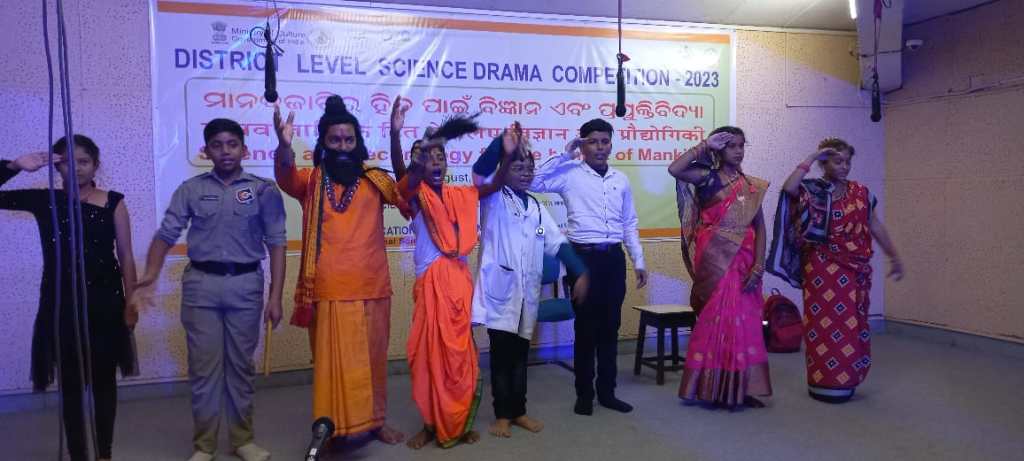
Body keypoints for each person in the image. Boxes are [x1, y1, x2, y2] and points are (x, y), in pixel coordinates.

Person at [132, 119, 286, 461]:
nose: (225, 151)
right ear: (206, 151)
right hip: (201, 287)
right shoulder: (190, 189)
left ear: (244, 149)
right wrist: (151, 274)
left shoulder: (264, 190)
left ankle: (242, 439)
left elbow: (276, 243)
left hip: (245, 286)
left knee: (241, 367)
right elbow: (166, 234)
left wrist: (275, 296)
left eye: (232, 144)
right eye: (217, 145)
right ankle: (205, 445)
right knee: (204, 369)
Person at [272, 95, 408, 445]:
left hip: (372, 286)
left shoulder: (375, 180)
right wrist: (284, 146)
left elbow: (407, 193)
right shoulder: (311, 181)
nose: (343, 147)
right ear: (323, 143)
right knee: (332, 368)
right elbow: (285, 176)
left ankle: (376, 422)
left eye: (349, 140)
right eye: (335, 140)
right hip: (328, 289)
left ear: (358, 142)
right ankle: (331, 428)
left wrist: (395, 137)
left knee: (373, 362)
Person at [0, 136, 138, 461]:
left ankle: (104, 453)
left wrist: (132, 301)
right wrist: (15, 166)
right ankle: (77, 454)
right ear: (56, 166)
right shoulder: (44, 200)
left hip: (105, 303)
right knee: (71, 385)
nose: (76, 168)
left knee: (104, 382)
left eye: (84, 161)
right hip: (60, 303)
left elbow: (126, 256)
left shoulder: (114, 202)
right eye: (67, 162)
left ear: (95, 165)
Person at [470, 124, 590, 438]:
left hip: (527, 295)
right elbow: (480, 171)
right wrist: (502, 143)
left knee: (521, 355)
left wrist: (579, 271)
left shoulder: (536, 207)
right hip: (501, 293)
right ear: (505, 170)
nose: (525, 173)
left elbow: (556, 242)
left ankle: (519, 411)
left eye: (529, 168)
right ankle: (502, 415)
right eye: (518, 167)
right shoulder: (493, 198)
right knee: (501, 357)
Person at [769, 137, 904, 403]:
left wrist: (894, 256)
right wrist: (811, 157)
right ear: (824, 163)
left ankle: (846, 380)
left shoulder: (861, 193)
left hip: (854, 269)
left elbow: (875, 226)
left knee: (851, 324)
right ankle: (822, 382)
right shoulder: (813, 190)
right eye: (837, 161)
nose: (844, 167)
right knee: (821, 326)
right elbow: (789, 188)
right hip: (820, 268)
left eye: (847, 162)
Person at [530, 118, 646, 415]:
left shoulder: (621, 180)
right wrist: (564, 155)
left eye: (604, 141)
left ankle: (607, 392)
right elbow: (533, 182)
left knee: (610, 327)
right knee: (585, 329)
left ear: (611, 144)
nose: (599, 147)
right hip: (583, 260)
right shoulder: (569, 174)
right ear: (582, 145)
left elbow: (629, 223)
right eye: (592, 141)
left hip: (613, 259)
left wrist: (638, 260)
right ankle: (584, 394)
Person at [399, 114, 488, 449]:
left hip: (458, 287)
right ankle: (429, 424)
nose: (435, 162)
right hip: (430, 287)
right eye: (427, 157)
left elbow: (491, 185)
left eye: (440, 156)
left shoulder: (461, 194)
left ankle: (461, 424)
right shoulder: (414, 197)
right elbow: (403, 176)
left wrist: (504, 154)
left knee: (459, 358)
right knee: (427, 359)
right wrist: (396, 134)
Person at [668, 126, 772, 409]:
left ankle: (741, 388)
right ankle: (710, 387)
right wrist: (704, 145)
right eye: (731, 146)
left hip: (745, 263)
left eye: (741, 145)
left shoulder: (751, 186)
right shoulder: (707, 177)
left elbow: (760, 229)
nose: (738, 151)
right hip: (716, 260)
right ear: (720, 149)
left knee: (745, 325)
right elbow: (675, 169)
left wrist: (759, 266)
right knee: (716, 321)